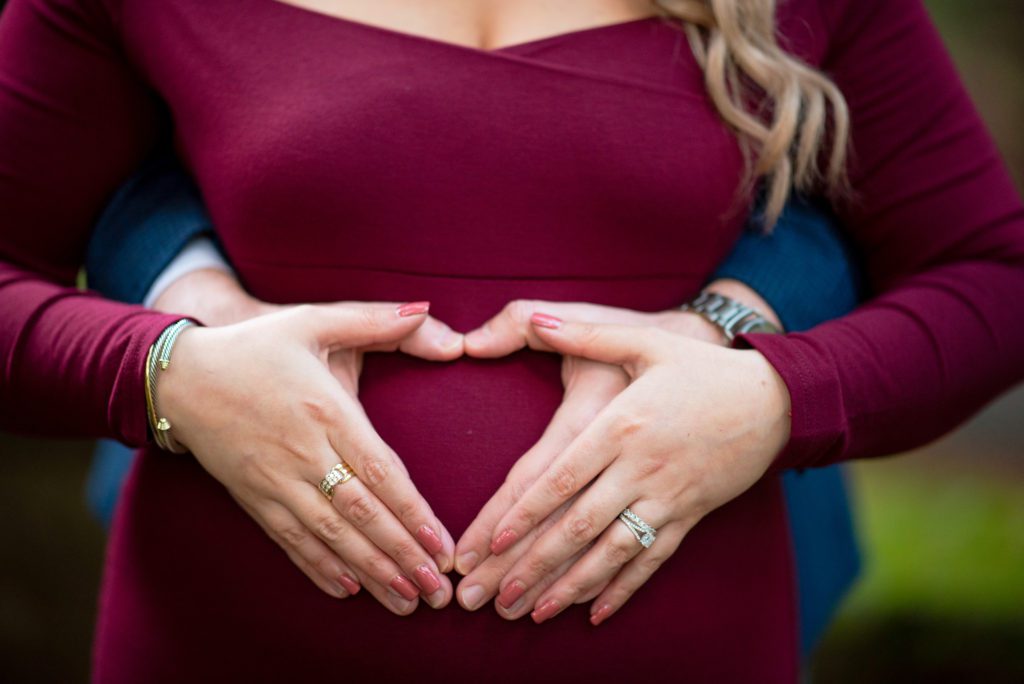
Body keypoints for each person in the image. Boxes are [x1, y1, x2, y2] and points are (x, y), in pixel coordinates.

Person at [1, 1, 1022, 682]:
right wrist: (162, 369)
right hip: (233, 637)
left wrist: (773, 397)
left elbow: (989, 274)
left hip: (683, 642)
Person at [82, 151, 864, 657]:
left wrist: (724, 321)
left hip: (698, 573)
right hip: (232, 593)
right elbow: (100, 149)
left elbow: (853, 193)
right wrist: (198, 298)